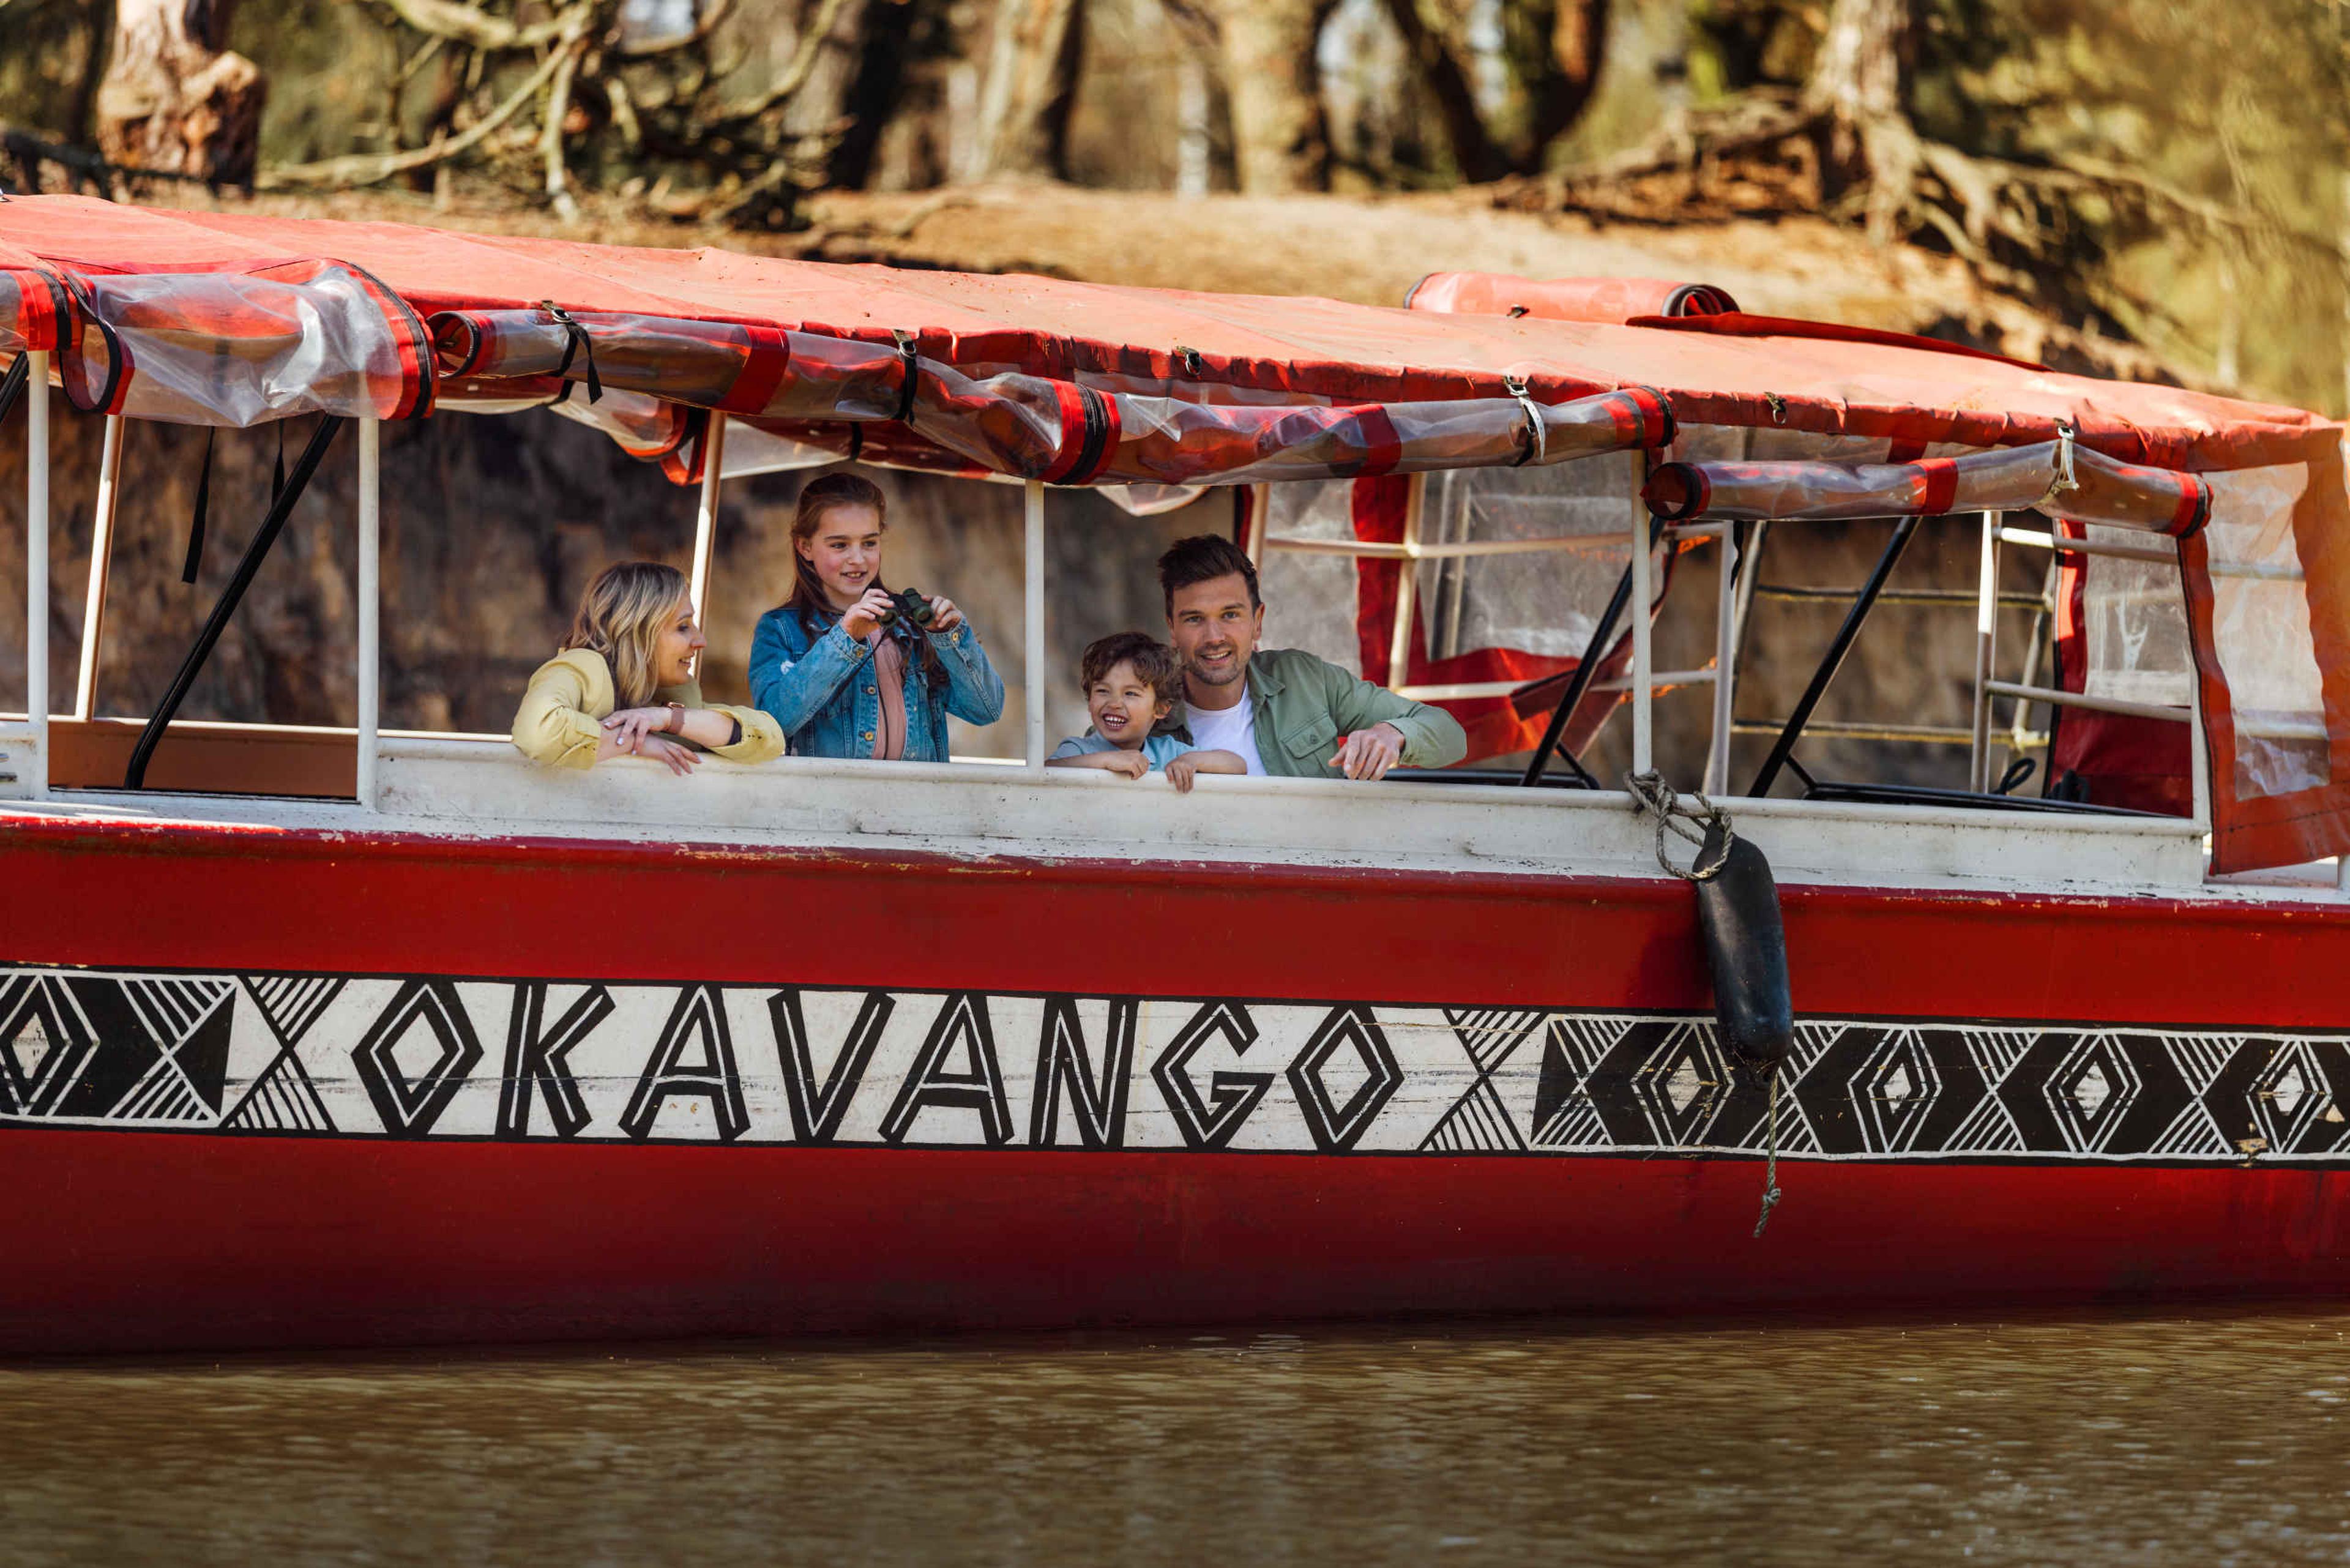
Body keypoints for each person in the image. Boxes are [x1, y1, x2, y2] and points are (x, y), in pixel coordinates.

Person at [1158, 534, 1466, 780]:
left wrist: (1391, 734)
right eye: (1194, 619)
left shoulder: (1305, 679)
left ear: (1258, 621)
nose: (1214, 637)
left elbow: (1451, 736)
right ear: (1172, 627)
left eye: (1230, 615)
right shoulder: (1139, 701)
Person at [750, 472, 1005, 760]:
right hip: (830, 801)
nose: (858, 559)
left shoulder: (911, 626)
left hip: (918, 800)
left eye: (869, 543)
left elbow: (986, 709)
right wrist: (845, 639)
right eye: (839, 545)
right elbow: (773, 722)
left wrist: (949, 637)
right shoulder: (780, 629)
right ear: (805, 546)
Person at [512, 560, 784, 774]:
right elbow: (539, 729)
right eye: (683, 627)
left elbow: (769, 738)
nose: (700, 641)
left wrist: (666, 719)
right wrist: (633, 741)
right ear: (638, 632)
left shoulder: (665, 695)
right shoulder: (582, 666)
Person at [1046, 632, 1248, 794]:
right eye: (1102, 691)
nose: (1115, 703)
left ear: (1160, 708)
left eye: (1131, 693)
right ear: (1089, 700)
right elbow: (1047, 771)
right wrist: (1104, 761)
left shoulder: (1168, 753)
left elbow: (1237, 766)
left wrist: (1191, 761)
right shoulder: (1080, 750)